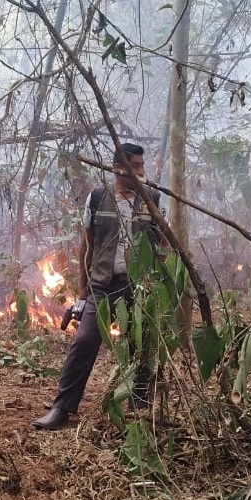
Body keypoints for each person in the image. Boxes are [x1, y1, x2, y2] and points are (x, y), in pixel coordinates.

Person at [34, 143, 163, 430]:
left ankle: (140, 413)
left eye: (143, 165)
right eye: (136, 166)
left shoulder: (151, 198)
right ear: (119, 169)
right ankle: (62, 409)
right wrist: (82, 292)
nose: (142, 171)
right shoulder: (98, 197)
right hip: (102, 286)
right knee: (85, 341)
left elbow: (163, 244)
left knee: (139, 348)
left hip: (138, 288)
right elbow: (86, 247)